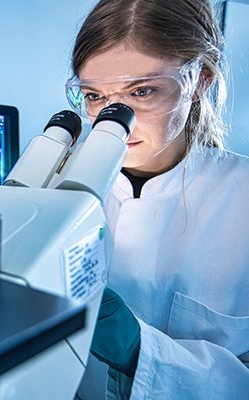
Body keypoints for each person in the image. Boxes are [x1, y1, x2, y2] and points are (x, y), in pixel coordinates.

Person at [63, 0, 249, 398]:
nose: (115, 118)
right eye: (95, 96)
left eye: (142, 90)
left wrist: (145, 355)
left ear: (200, 79)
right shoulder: (56, 183)